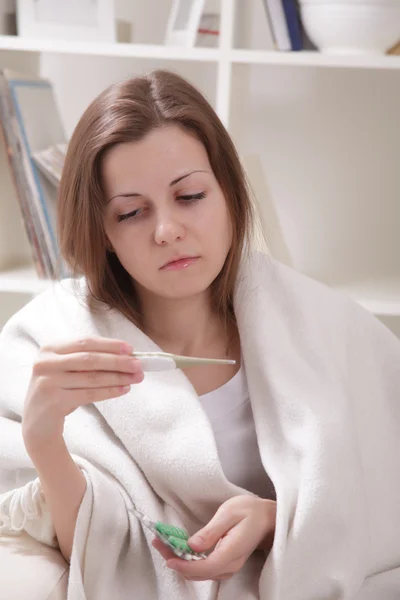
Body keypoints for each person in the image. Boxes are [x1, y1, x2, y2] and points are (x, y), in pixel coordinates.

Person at [0, 69, 400, 600]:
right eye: (132, 212)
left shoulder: (325, 330)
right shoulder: (52, 340)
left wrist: (274, 521)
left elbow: (379, 493)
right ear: (105, 234)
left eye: (189, 196)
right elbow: (97, 557)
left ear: (229, 194)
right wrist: (44, 439)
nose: (167, 230)